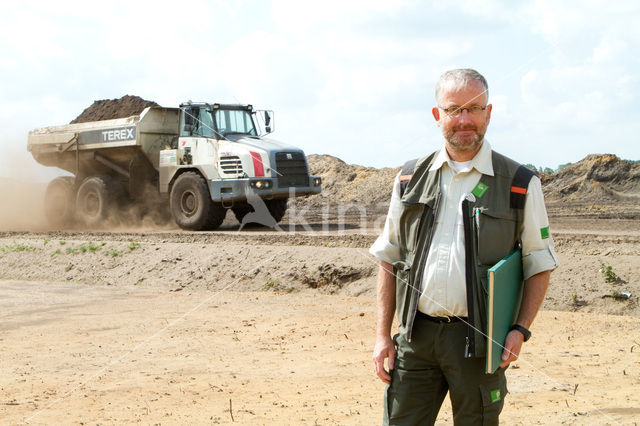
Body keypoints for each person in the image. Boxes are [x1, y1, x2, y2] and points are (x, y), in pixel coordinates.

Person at [370, 68, 559, 425]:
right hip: (416, 337)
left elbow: (539, 261)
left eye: (474, 109)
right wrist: (383, 336)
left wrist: (519, 330)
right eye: (454, 109)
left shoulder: (519, 183)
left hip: (480, 341)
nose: (464, 119)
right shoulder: (410, 178)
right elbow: (389, 256)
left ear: (489, 112)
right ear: (437, 115)